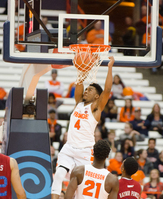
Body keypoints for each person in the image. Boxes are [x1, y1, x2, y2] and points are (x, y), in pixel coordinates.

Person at [51, 57, 114, 199]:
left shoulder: (96, 108)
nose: (86, 91)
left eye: (90, 90)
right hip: (69, 147)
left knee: (81, 185)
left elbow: (108, 89)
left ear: (97, 96)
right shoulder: (79, 103)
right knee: (59, 174)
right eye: (86, 89)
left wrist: (109, 67)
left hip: (86, 150)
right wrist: (81, 67)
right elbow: (79, 81)